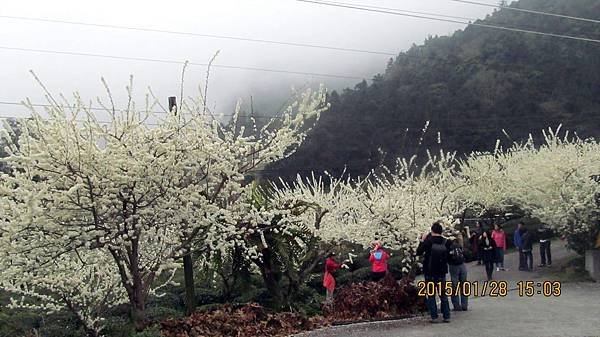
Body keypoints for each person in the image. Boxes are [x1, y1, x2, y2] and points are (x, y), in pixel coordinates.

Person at [417, 222, 453, 323]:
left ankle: (434, 317)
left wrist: (422, 240)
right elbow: (450, 257)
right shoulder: (447, 242)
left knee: (431, 295)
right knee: (443, 294)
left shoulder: (428, 242)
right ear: (441, 231)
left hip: (430, 272)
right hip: (442, 272)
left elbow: (418, 252)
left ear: (432, 230)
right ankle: (446, 316)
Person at [448, 234, 468, 311]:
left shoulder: (449, 244)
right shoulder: (459, 245)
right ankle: (464, 304)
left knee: (454, 285)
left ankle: (456, 305)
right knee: (463, 284)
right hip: (461, 265)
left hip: (453, 266)